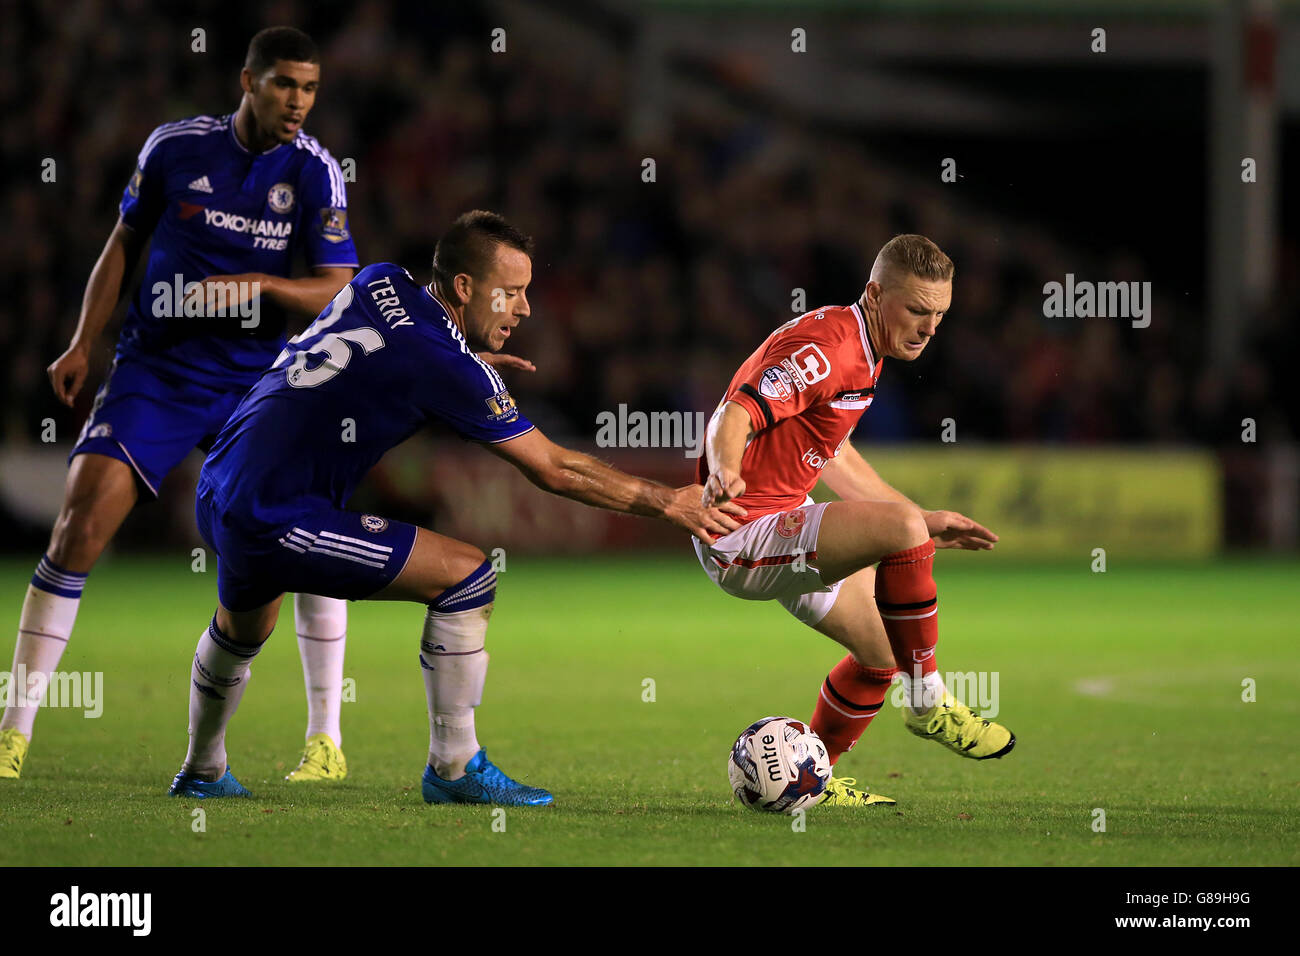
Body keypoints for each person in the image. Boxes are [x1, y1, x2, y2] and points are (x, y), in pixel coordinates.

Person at [168, 210, 743, 804]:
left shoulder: (380, 279)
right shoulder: (446, 366)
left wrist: (465, 362)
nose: (524, 310)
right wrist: (666, 501)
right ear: (465, 288)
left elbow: (375, 351)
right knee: (468, 576)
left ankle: (202, 770)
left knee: (243, 627)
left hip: (218, 483)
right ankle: (454, 766)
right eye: (512, 293)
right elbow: (553, 468)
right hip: (274, 513)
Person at [1, 27, 381, 783]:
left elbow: (341, 284)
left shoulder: (314, 173)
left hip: (259, 380)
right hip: (160, 370)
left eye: (309, 89)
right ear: (248, 81)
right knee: (79, 524)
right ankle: (13, 733)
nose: (297, 102)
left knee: (303, 537)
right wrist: (82, 342)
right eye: (283, 85)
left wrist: (265, 288)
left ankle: (325, 741)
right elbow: (122, 243)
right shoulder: (175, 148)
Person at [696, 234, 1014, 807]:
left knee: (882, 655)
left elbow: (831, 453)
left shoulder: (863, 348)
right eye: (917, 310)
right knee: (899, 531)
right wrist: (723, 470)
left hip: (784, 518)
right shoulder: (829, 349)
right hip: (738, 531)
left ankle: (811, 779)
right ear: (875, 294)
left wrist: (923, 518)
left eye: (940, 315)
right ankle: (929, 701)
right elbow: (736, 411)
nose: (929, 328)